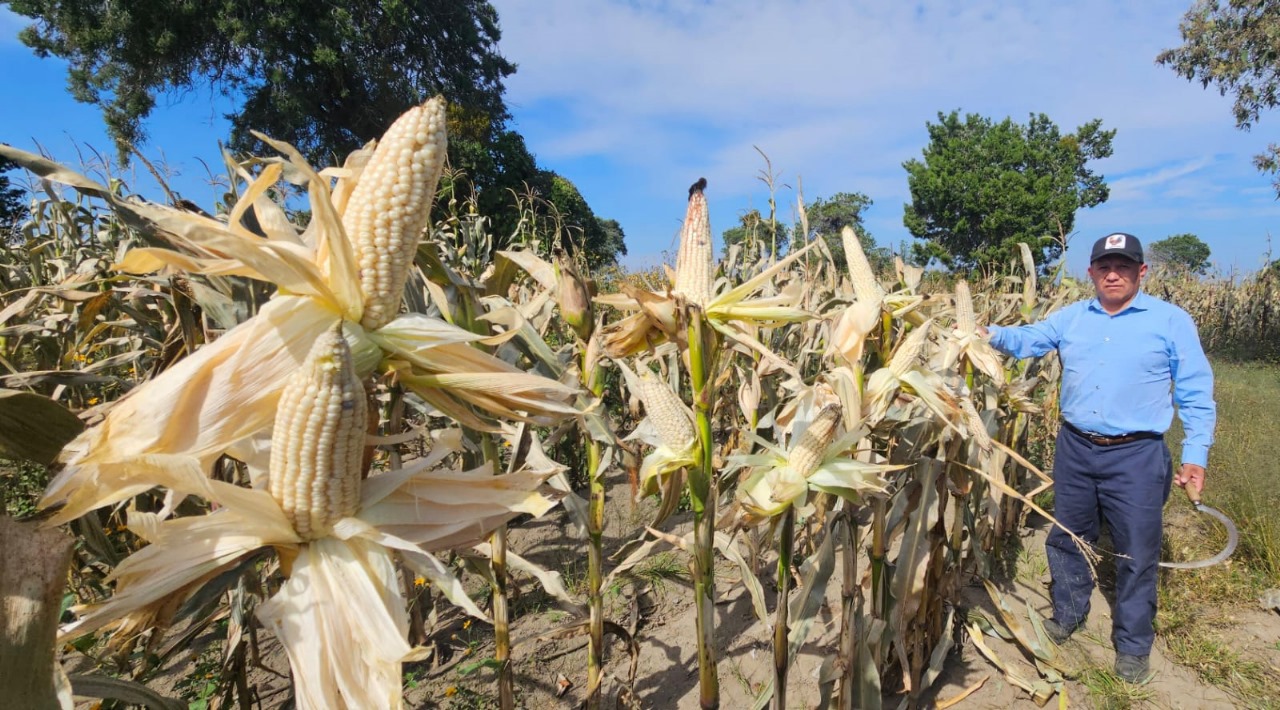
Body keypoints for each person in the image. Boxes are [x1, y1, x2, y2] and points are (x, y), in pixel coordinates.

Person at [980, 232, 1216, 683]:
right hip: (1076, 446)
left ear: (1141, 272)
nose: (1113, 274)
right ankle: (1067, 615)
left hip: (1137, 453)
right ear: (1090, 273)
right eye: (1104, 266)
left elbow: (1195, 392)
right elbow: (1029, 339)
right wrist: (987, 334)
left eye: (1124, 266)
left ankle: (1132, 645)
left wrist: (1195, 455)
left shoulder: (1170, 321)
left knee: (1136, 550)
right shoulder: (1072, 318)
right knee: (1068, 536)